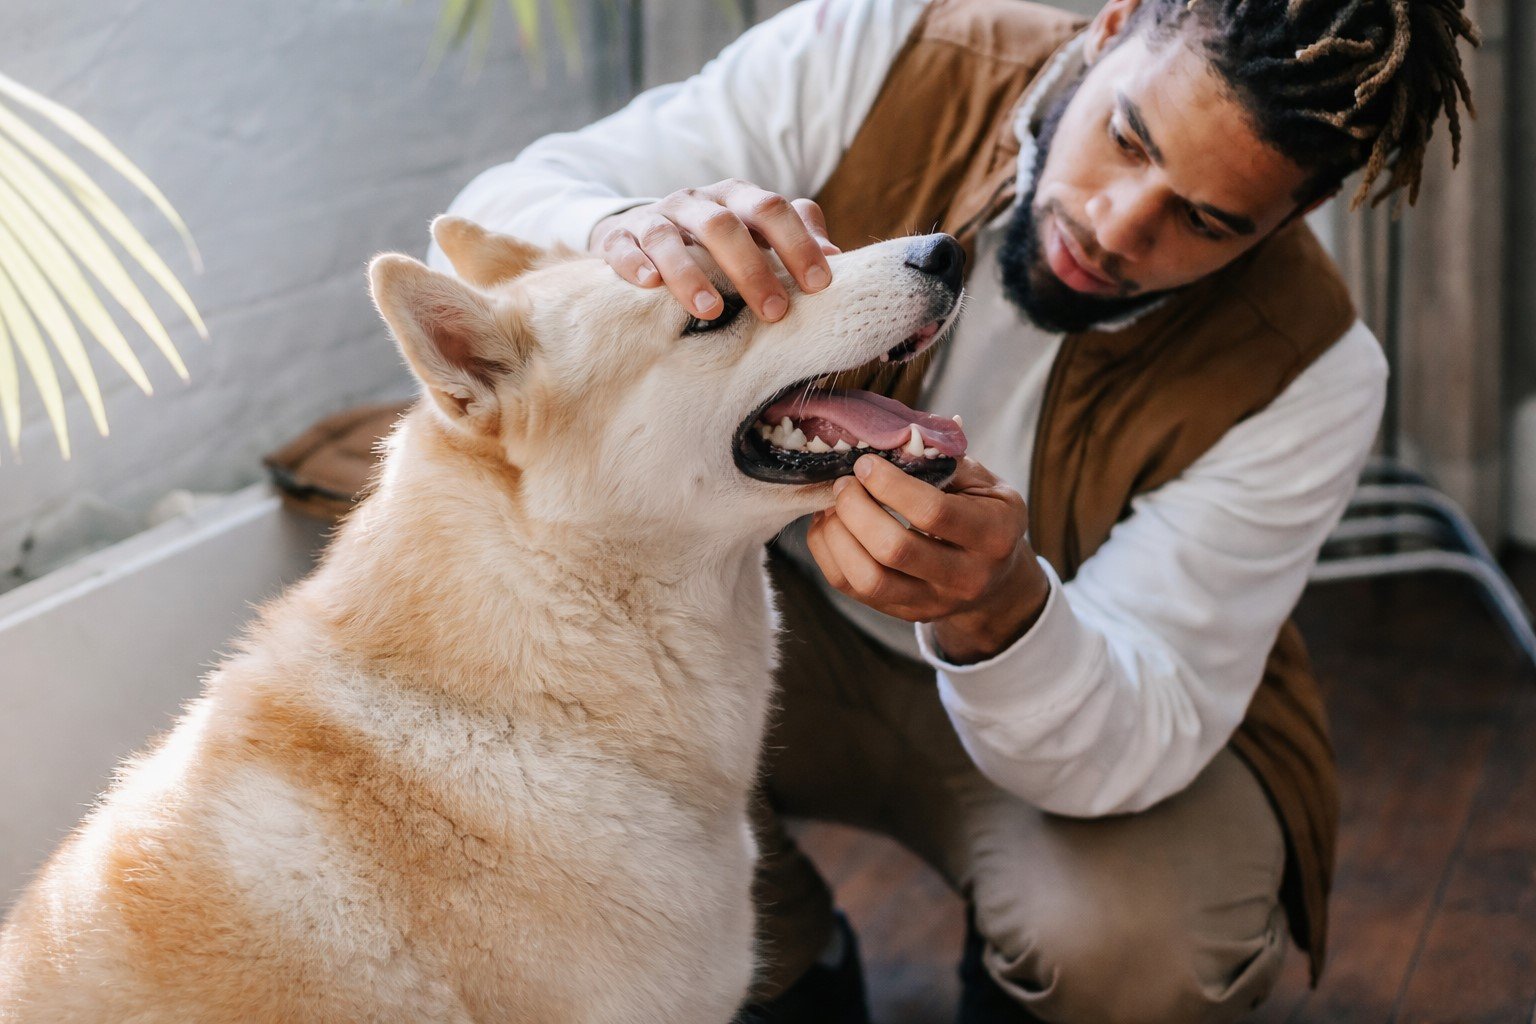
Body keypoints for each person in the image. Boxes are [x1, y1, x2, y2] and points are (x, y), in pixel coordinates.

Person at [428, 0, 1479, 1019]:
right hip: (776, 625)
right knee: (449, 565)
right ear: (1112, 25)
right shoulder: (884, 48)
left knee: (1138, 942)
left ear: (1294, 215)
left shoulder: (1314, 370)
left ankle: (1019, 992)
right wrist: (619, 234)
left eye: (1204, 220)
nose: (1115, 225)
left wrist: (1001, 614)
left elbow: (1140, 724)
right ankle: (786, 959)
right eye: (1126, 137)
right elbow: (486, 226)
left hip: (1077, 712)